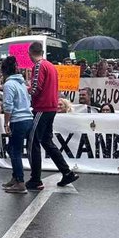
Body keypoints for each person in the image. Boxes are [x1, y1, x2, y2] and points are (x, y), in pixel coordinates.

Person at [26, 41, 79, 190]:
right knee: (46, 141)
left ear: (30, 53)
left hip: (42, 107)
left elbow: (36, 88)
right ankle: (66, 172)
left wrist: (26, 89)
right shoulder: (51, 66)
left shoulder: (38, 66)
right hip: (51, 107)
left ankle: (35, 179)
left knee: (33, 141)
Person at [1, 56, 32, 194]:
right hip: (27, 119)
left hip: (18, 120)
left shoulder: (9, 85)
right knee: (13, 149)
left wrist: (6, 123)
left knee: (15, 151)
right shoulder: (21, 84)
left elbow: (8, 106)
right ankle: (15, 177)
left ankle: (20, 182)